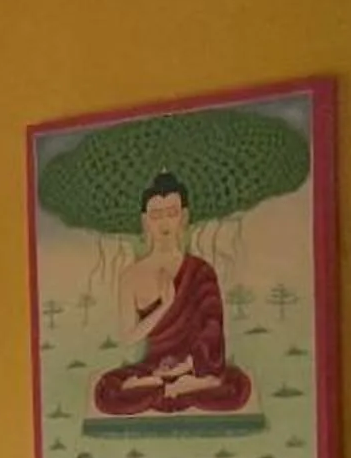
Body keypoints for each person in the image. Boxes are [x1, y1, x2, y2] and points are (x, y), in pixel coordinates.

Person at [93, 172, 252, 415]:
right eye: (156, 215)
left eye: (172, 213)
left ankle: (179, 384)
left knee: (235, 388)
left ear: (184, 216)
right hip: (155, 367)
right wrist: (164, 306)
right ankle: (170, 386)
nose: (164, 223)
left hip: (195, 367)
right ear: (145, 220)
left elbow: (212, 331)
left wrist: (186, 367)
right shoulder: (130, 275)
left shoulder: (201, 270)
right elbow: (127, 336)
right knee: (107, 392)